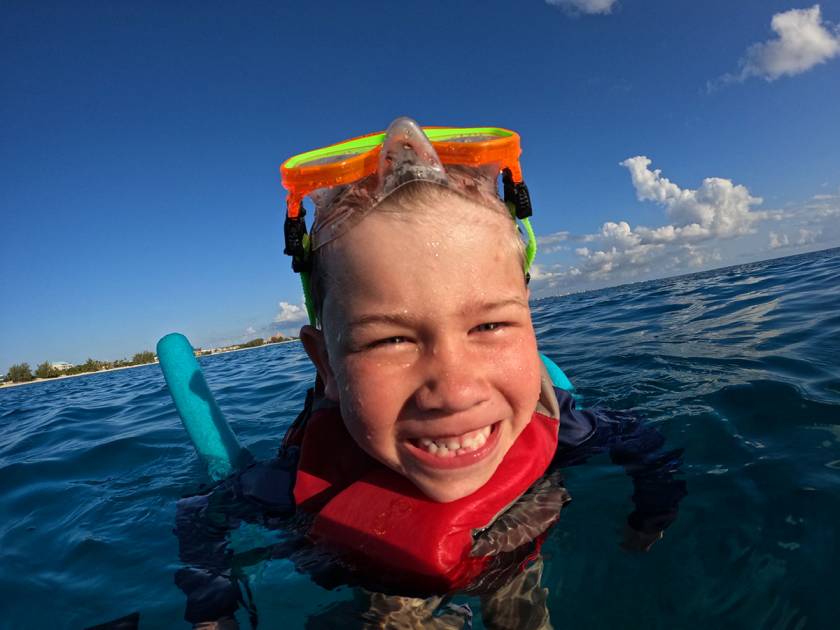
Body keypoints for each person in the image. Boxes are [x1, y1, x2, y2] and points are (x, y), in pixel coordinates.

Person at [174, 118, 686, 628]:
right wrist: (213, 610)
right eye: (390, 339)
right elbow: (202, 515)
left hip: (512, 550)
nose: (455, 391)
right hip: (382, 575)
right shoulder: (300, 482)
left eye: (489, 325)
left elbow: (640, 441)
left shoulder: (565, 426)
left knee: (519, 605)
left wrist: (651, 515)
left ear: (529, 323)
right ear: (326, 365)